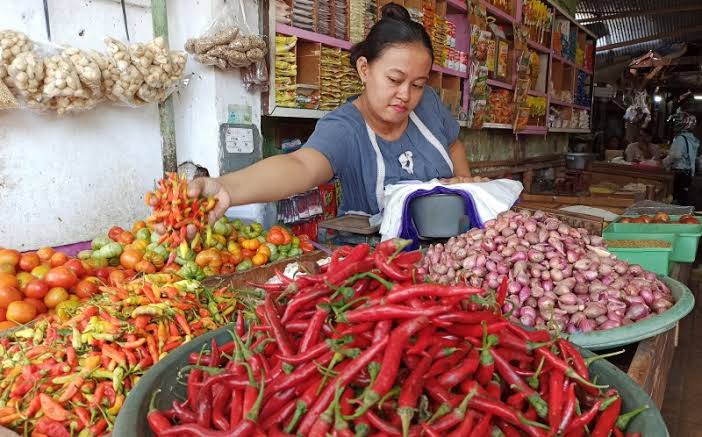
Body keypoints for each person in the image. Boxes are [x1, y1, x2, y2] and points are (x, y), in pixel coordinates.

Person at [182, 4, 478, 231]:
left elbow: (452, 144)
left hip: (448, 247)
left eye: (417, 84)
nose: (406, 95)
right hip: (380, 265)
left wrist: (466, 192)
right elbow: (300, 165)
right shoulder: (345, 129)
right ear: (364, 69)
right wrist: (227, 188)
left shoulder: (428, 104)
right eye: (395, 79)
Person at [663, 111, 699, 205]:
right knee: (683, 197)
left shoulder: (681, 138)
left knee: (676, 199)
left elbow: (676, 155)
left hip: (679, 173)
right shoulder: (691, 138)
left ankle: (679, 216)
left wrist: (664, 162)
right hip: (688, 172)